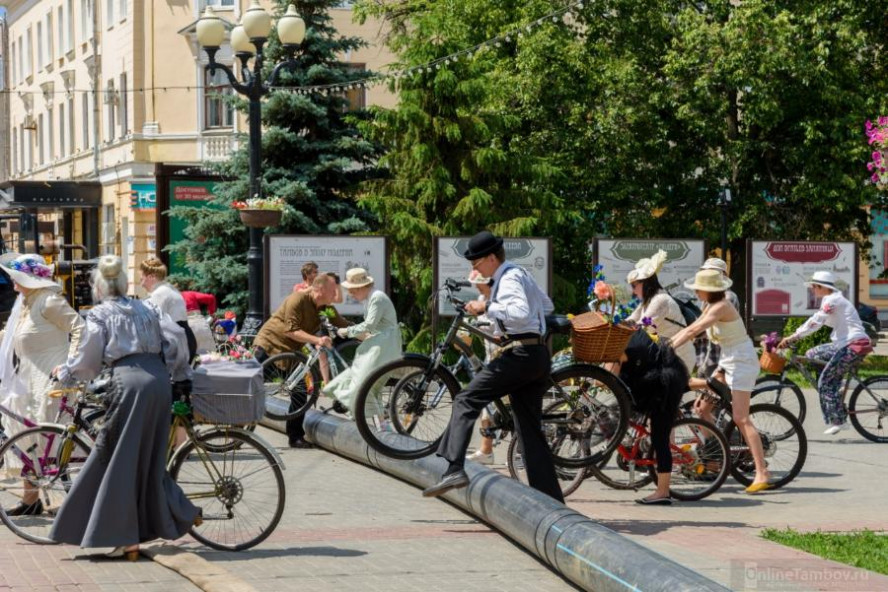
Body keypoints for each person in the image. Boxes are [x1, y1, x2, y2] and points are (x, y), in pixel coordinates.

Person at [49, 255, 199, 560]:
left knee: (118, 458)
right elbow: (177, 339)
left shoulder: (102, 313)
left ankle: (127, 537)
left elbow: (88, 359)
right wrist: (176, 373)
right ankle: (175, 513)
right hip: (158, 383)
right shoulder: (149, 307)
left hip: (127, 384)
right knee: (148, 458)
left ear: (100, 286)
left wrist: (65, 372)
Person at [423, 231, 563, 502]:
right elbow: (546, 305)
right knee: (529, 430)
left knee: (466, 398)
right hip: (535, 354)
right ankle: (551, 501)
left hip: (520, 356)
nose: (474, 269)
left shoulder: (508, 278)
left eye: (476, 264)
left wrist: (487, 306)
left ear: (490, 258)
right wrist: (505, 327)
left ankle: (454, 468)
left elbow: (521, 312)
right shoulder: (519, 274)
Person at [671, 269, 772, 493]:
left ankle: (762, 471)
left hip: (742, 361)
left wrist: (668, 348)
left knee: (741, 417)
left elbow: (696, 329)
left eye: (698, 289)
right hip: (727, 360)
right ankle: (716, 456)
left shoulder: (722, 306)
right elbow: (690, 329)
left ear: (708, 290)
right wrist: (666, 345)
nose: (695, 292)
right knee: (702, 408)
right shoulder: (710, 306)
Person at [0, 254, 84, 516]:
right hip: (27, 379)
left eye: (15, 275)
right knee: (28, 440)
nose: (11, 280)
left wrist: (69, 364)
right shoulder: (26, 301)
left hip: (49, 380)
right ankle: (31, 499)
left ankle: (73, 497)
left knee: (45, 439)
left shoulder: (48, 300)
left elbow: (79, 326)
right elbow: (9, 336)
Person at [253, 273, 349, 448]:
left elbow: (341, 323)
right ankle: (238, 428)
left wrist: (367, 333)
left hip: (291, 352)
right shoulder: (298, 299)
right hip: (269, 345)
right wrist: (318, 340)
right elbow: (291, 330)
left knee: (300, 394)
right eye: (332, 291)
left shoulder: (324, 307)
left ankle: (295, 437)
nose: (335, 295)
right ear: (320, 289)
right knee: (250, 387)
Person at [777, 271, 872, 435]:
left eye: (814, 287)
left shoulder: (833, 300)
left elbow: (816, 322)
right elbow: (816, 319)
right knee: (812, 354)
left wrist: (793, 337)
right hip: (845, 344)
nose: (812, 290)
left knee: (825, 382)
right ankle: (836, 387)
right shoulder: (831, 299)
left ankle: (839, 420)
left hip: (854, 345)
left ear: (822, 287)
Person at [618, 329, 688, 505]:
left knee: (660, 438)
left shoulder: (620, 349)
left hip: (664, 386)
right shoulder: (625, 341)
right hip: (656, 381)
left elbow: (603, 379)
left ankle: (663, 492)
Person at [322, 268, 402, 415]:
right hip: (380, 343)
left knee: (365, 383)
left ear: (361, 287)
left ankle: (372, 422)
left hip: (384, 345)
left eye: (352, 290)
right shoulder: (371, 298)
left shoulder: (376, 298)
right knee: (368, 385)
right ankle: (374, 423)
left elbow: (369, 325)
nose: (351, 294)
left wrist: (347, 331)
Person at [625, 250, 696, 373]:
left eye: (634, 286)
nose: (633, 291)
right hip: (667, 354)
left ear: (645, 283)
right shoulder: (648, 301)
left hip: (680, 356)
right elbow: (631, 319)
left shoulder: (660, 300)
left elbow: (644, 328)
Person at [463, 269, 498, 465]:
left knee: (493, 403)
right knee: (489, 405)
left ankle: (488, 450)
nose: (476, 285)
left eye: (479, 282)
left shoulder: (496, 299)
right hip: (490, 355)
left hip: (501, 356)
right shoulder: (481, 297)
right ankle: (486, 449)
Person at [139, 258, 196, 362]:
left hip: (176, 343)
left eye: (142, 278)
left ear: (151, 277)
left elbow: (151, 326)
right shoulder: (169, 289)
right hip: (186, 339)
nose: (141, 283)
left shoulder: (159, 294)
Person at [694, 258, 740, 382]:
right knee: (705, 394)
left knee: (714, 396)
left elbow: (706, 328)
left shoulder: (728, 297)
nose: (707, 275)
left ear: (723, 275)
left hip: (720, 357)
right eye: (704, 271)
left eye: (711, 272)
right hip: (706, 354)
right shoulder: (709, 296)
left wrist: (693, 334)